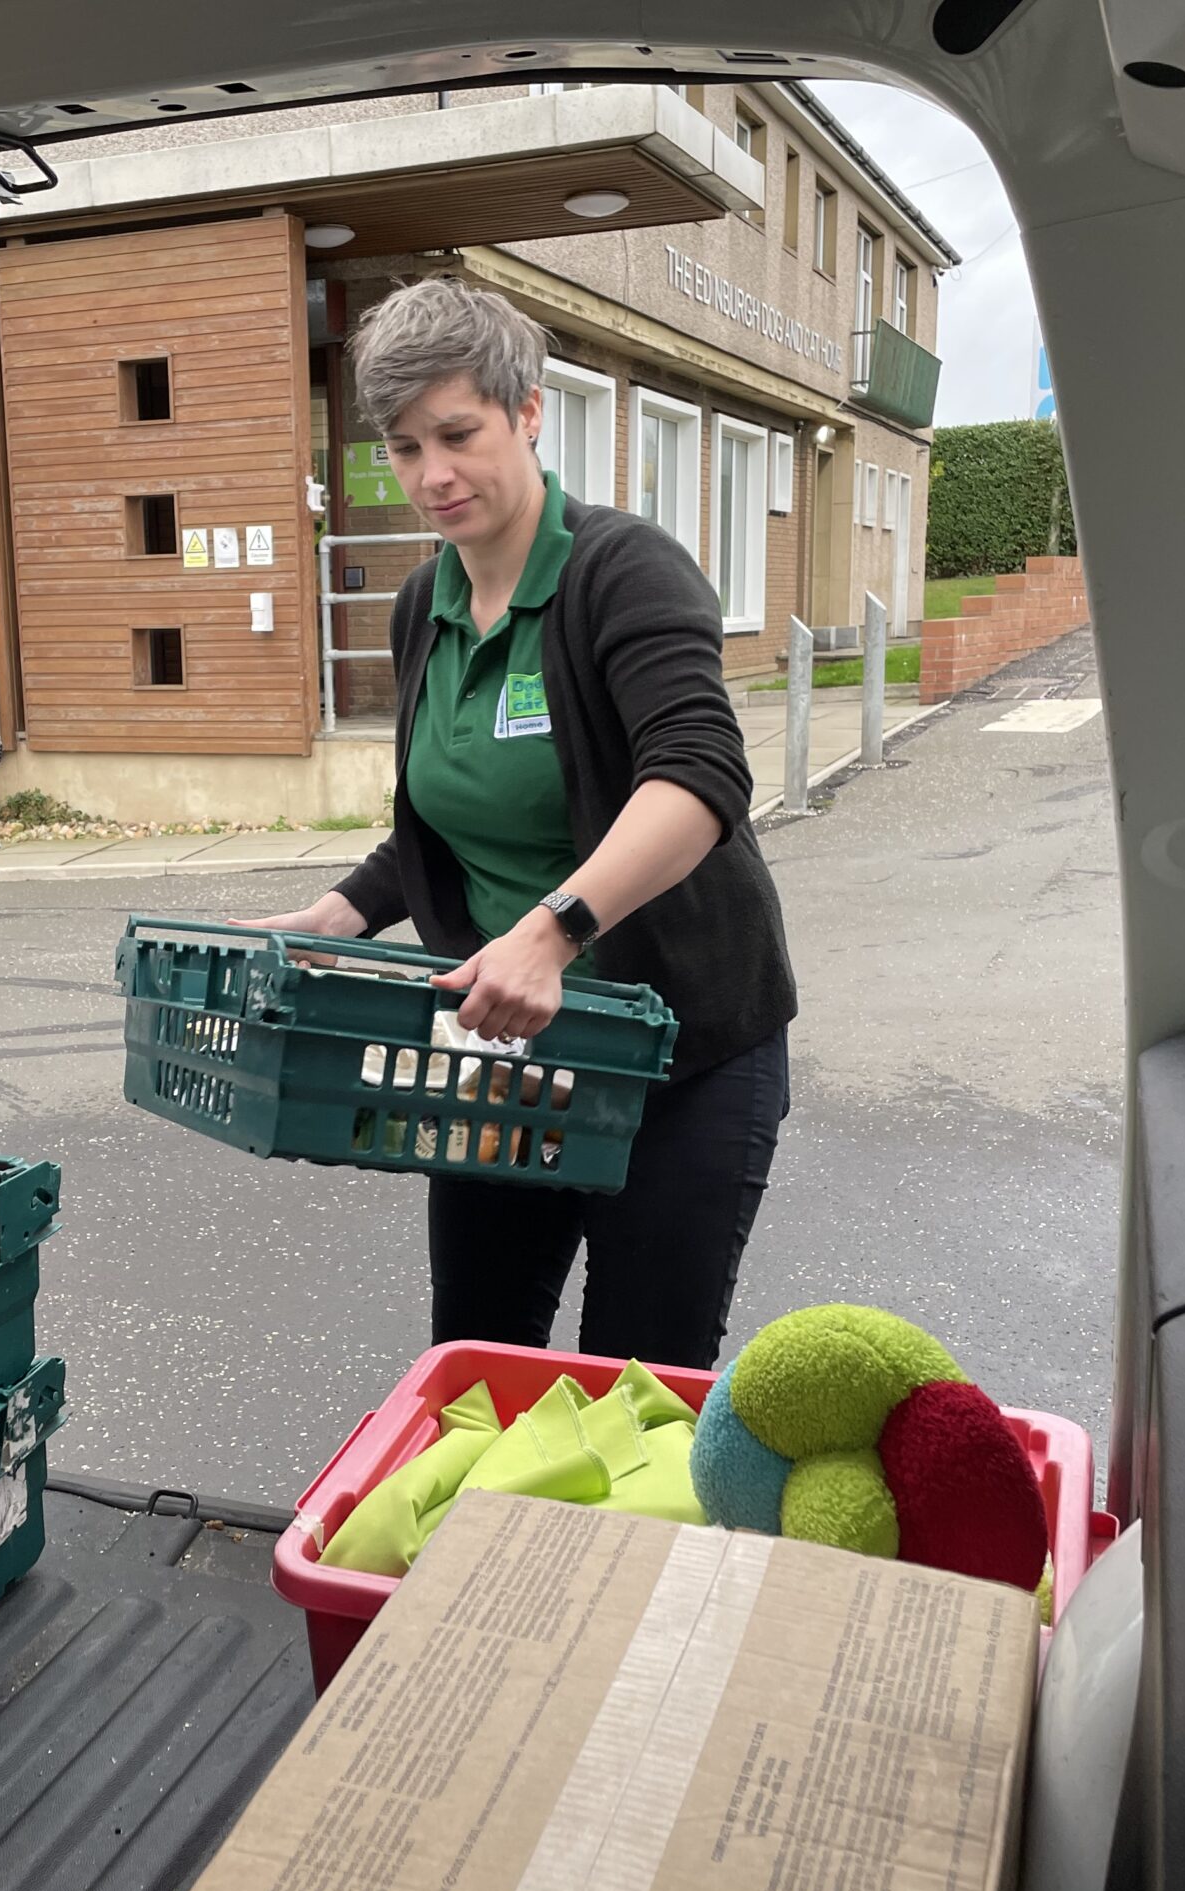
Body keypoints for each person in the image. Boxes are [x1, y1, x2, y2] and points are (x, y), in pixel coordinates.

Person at [249, 276, 796, 1370]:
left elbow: (696, 778)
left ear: (529, 412)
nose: (432, 475)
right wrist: (329, 918)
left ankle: (604, 1551)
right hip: (505, 1056)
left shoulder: (621, 572)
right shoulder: (425, 605)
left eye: (457, 433)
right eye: (404, 448)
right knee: (478, 1360)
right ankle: (492, 1546)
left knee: (633, 1379)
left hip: (678, 1056)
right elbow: (437, 831)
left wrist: (551, 933)